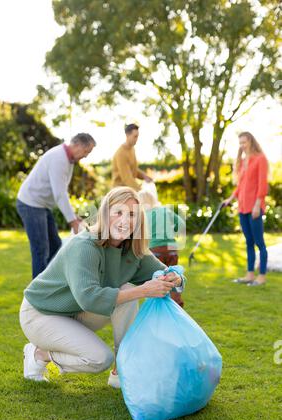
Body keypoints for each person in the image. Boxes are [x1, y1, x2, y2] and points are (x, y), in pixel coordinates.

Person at [19, 186, 185, 388]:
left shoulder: (133, 249)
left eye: (132, 214)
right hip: (41, 313)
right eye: (118, 212)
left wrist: (175, 278)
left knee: (127, 293)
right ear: (105, 214)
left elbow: (165, 271)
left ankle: (122, 369)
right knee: (99, 358)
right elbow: (88, 297)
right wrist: (143, 290)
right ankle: (39, 353)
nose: (125, 221)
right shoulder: (84, 245)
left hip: (76, 312)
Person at [16, 133, 96, 278]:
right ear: (77, 145)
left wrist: (73, 216)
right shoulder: (59, 158)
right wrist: (73, 222)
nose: (86, 156)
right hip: (31, 204)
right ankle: (38, 293)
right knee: (41, 250)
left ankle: (51, 283)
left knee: (55, 246)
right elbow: (59, 193)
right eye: (86, 151)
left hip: (42, 205)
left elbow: (62, 191)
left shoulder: (68, 160)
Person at [224, 131, 268, 286]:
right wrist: (229, 199)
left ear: (251, 141)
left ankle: (261, 276)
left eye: (244, 142)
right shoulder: (243, 161)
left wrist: (258, 205)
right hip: (242, 207)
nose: (242, 146)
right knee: (249, 241)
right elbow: (241, 186)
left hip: (254, 207)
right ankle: (250, 275)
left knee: (259, 243)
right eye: (240, 143)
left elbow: (262, 185)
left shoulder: (260, 159)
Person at [138, 189, 185, 307]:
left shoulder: (143, 216)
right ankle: (177, 305)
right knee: (173, 277)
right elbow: (181, 224)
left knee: (158, 279)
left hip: (154, 250)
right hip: (172, 249)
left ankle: (160, 308)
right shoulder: (165, 210)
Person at [112, 123, 153, 191]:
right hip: (119, 192)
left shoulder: (132, 149)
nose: (137, 139)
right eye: (135, 136)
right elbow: (126, 178)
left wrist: (144, 176)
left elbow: (133, 169)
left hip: (128, 189)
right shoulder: (121, 153)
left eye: (137, 136)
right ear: (127, 135)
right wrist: (140, 190)